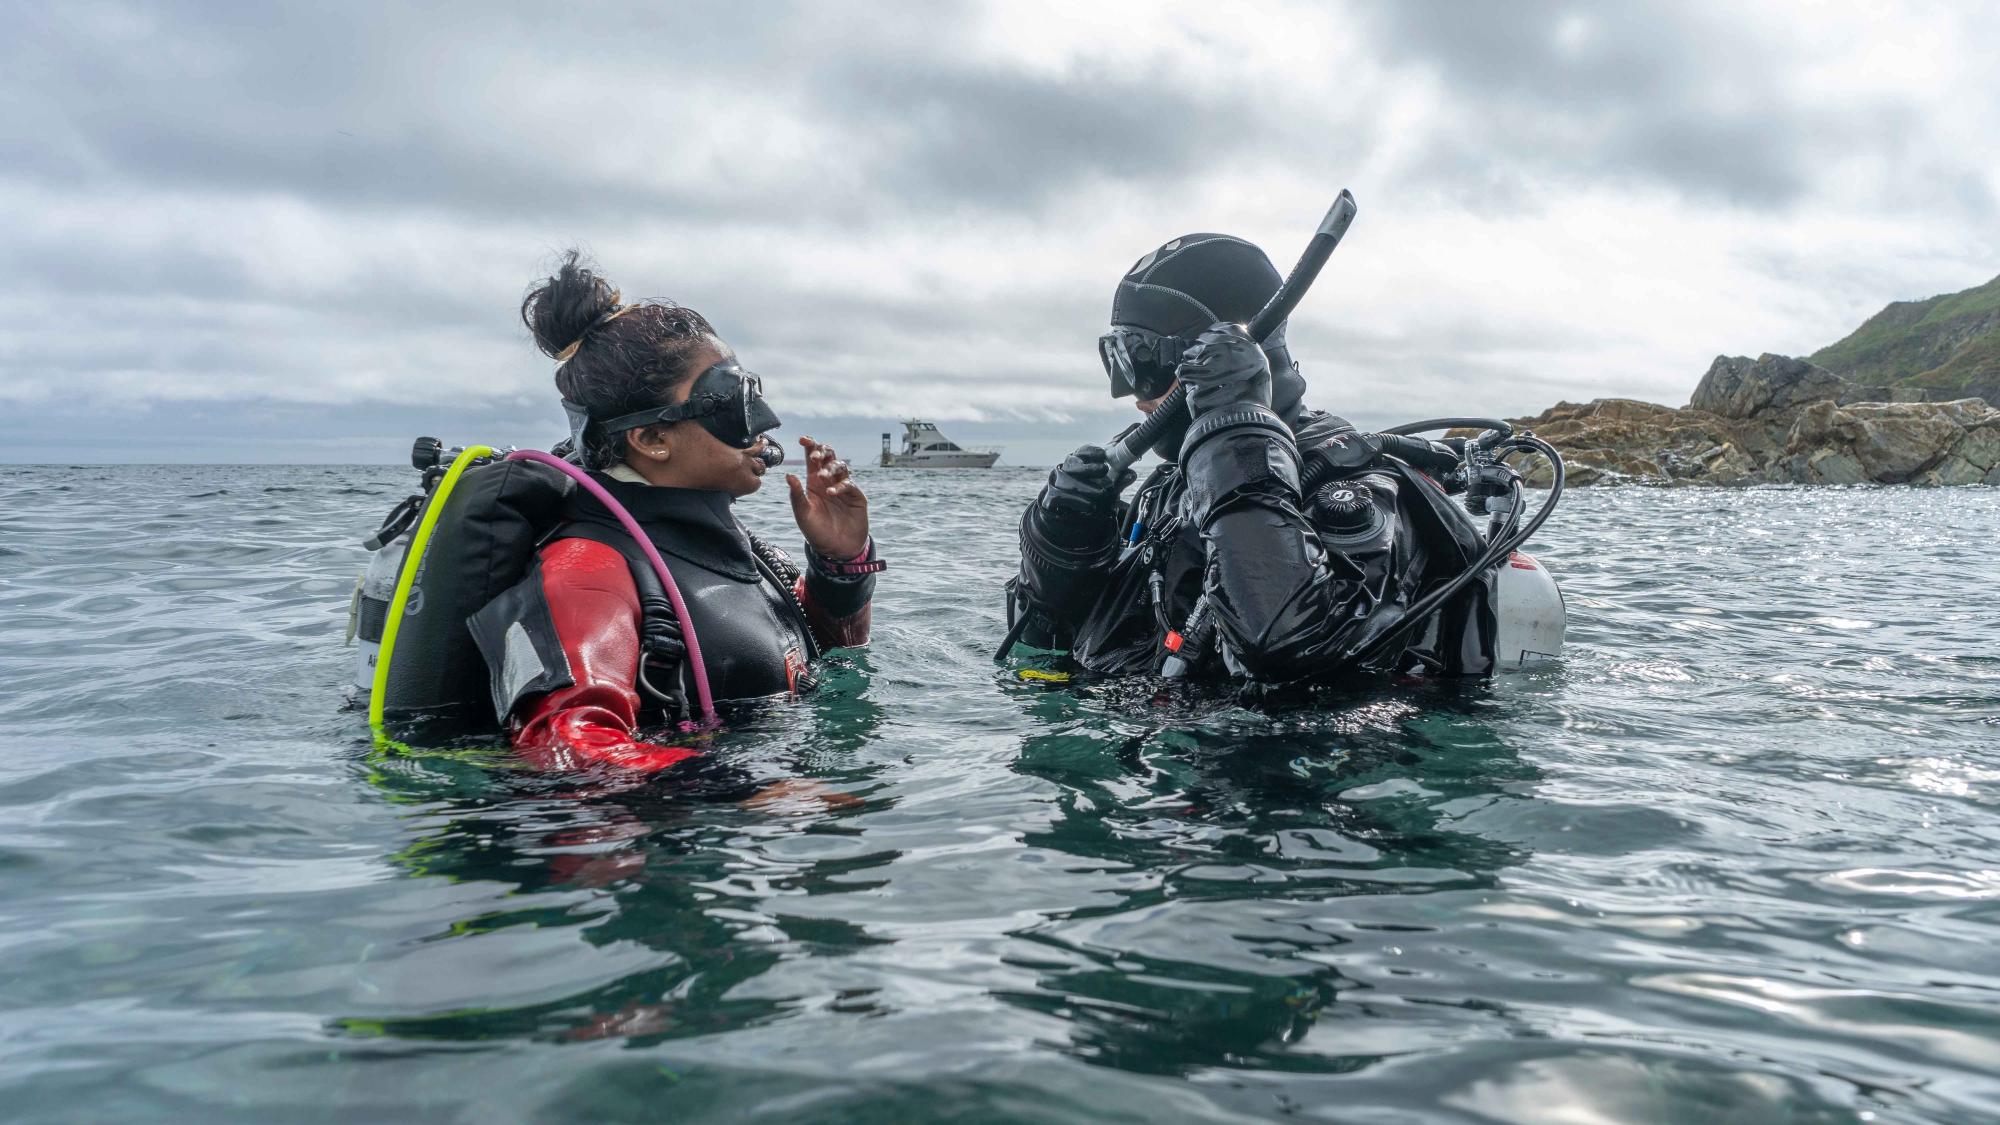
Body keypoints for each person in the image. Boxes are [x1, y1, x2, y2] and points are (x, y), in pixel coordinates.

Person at [1004, 233, 1496, 681]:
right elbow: (1049, 645)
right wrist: (1062, 542)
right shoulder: (1170, 491)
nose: (1126, 393)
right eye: (1114, 358)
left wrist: (1236, 437)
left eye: (1143, 361)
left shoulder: (1358, 488)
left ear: (1223, 354)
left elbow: (1287, 649)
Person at [471, 252, 883, 772]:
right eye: (730, 402)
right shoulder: (588, 567)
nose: (765, 422)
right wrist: (743, 794)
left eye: (751, 392)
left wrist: (840, 563)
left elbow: (824, 655)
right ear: (652, 438)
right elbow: (565, 745)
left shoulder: (732, 549)